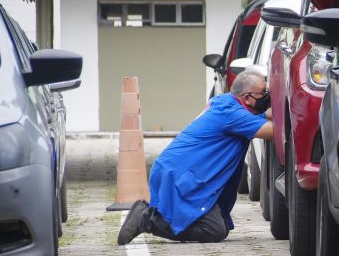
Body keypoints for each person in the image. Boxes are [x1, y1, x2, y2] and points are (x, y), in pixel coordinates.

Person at [117, 69, 273, 245]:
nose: (267, 96)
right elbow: (273, 131)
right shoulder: (231, 114)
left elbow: (261, 117)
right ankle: (145, 219)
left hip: (178, 171)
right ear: (247, 98)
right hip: (181, 176)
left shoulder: (226, 104)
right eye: (264, 93)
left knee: (220, 225)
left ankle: (161, 217)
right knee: (214, 230)